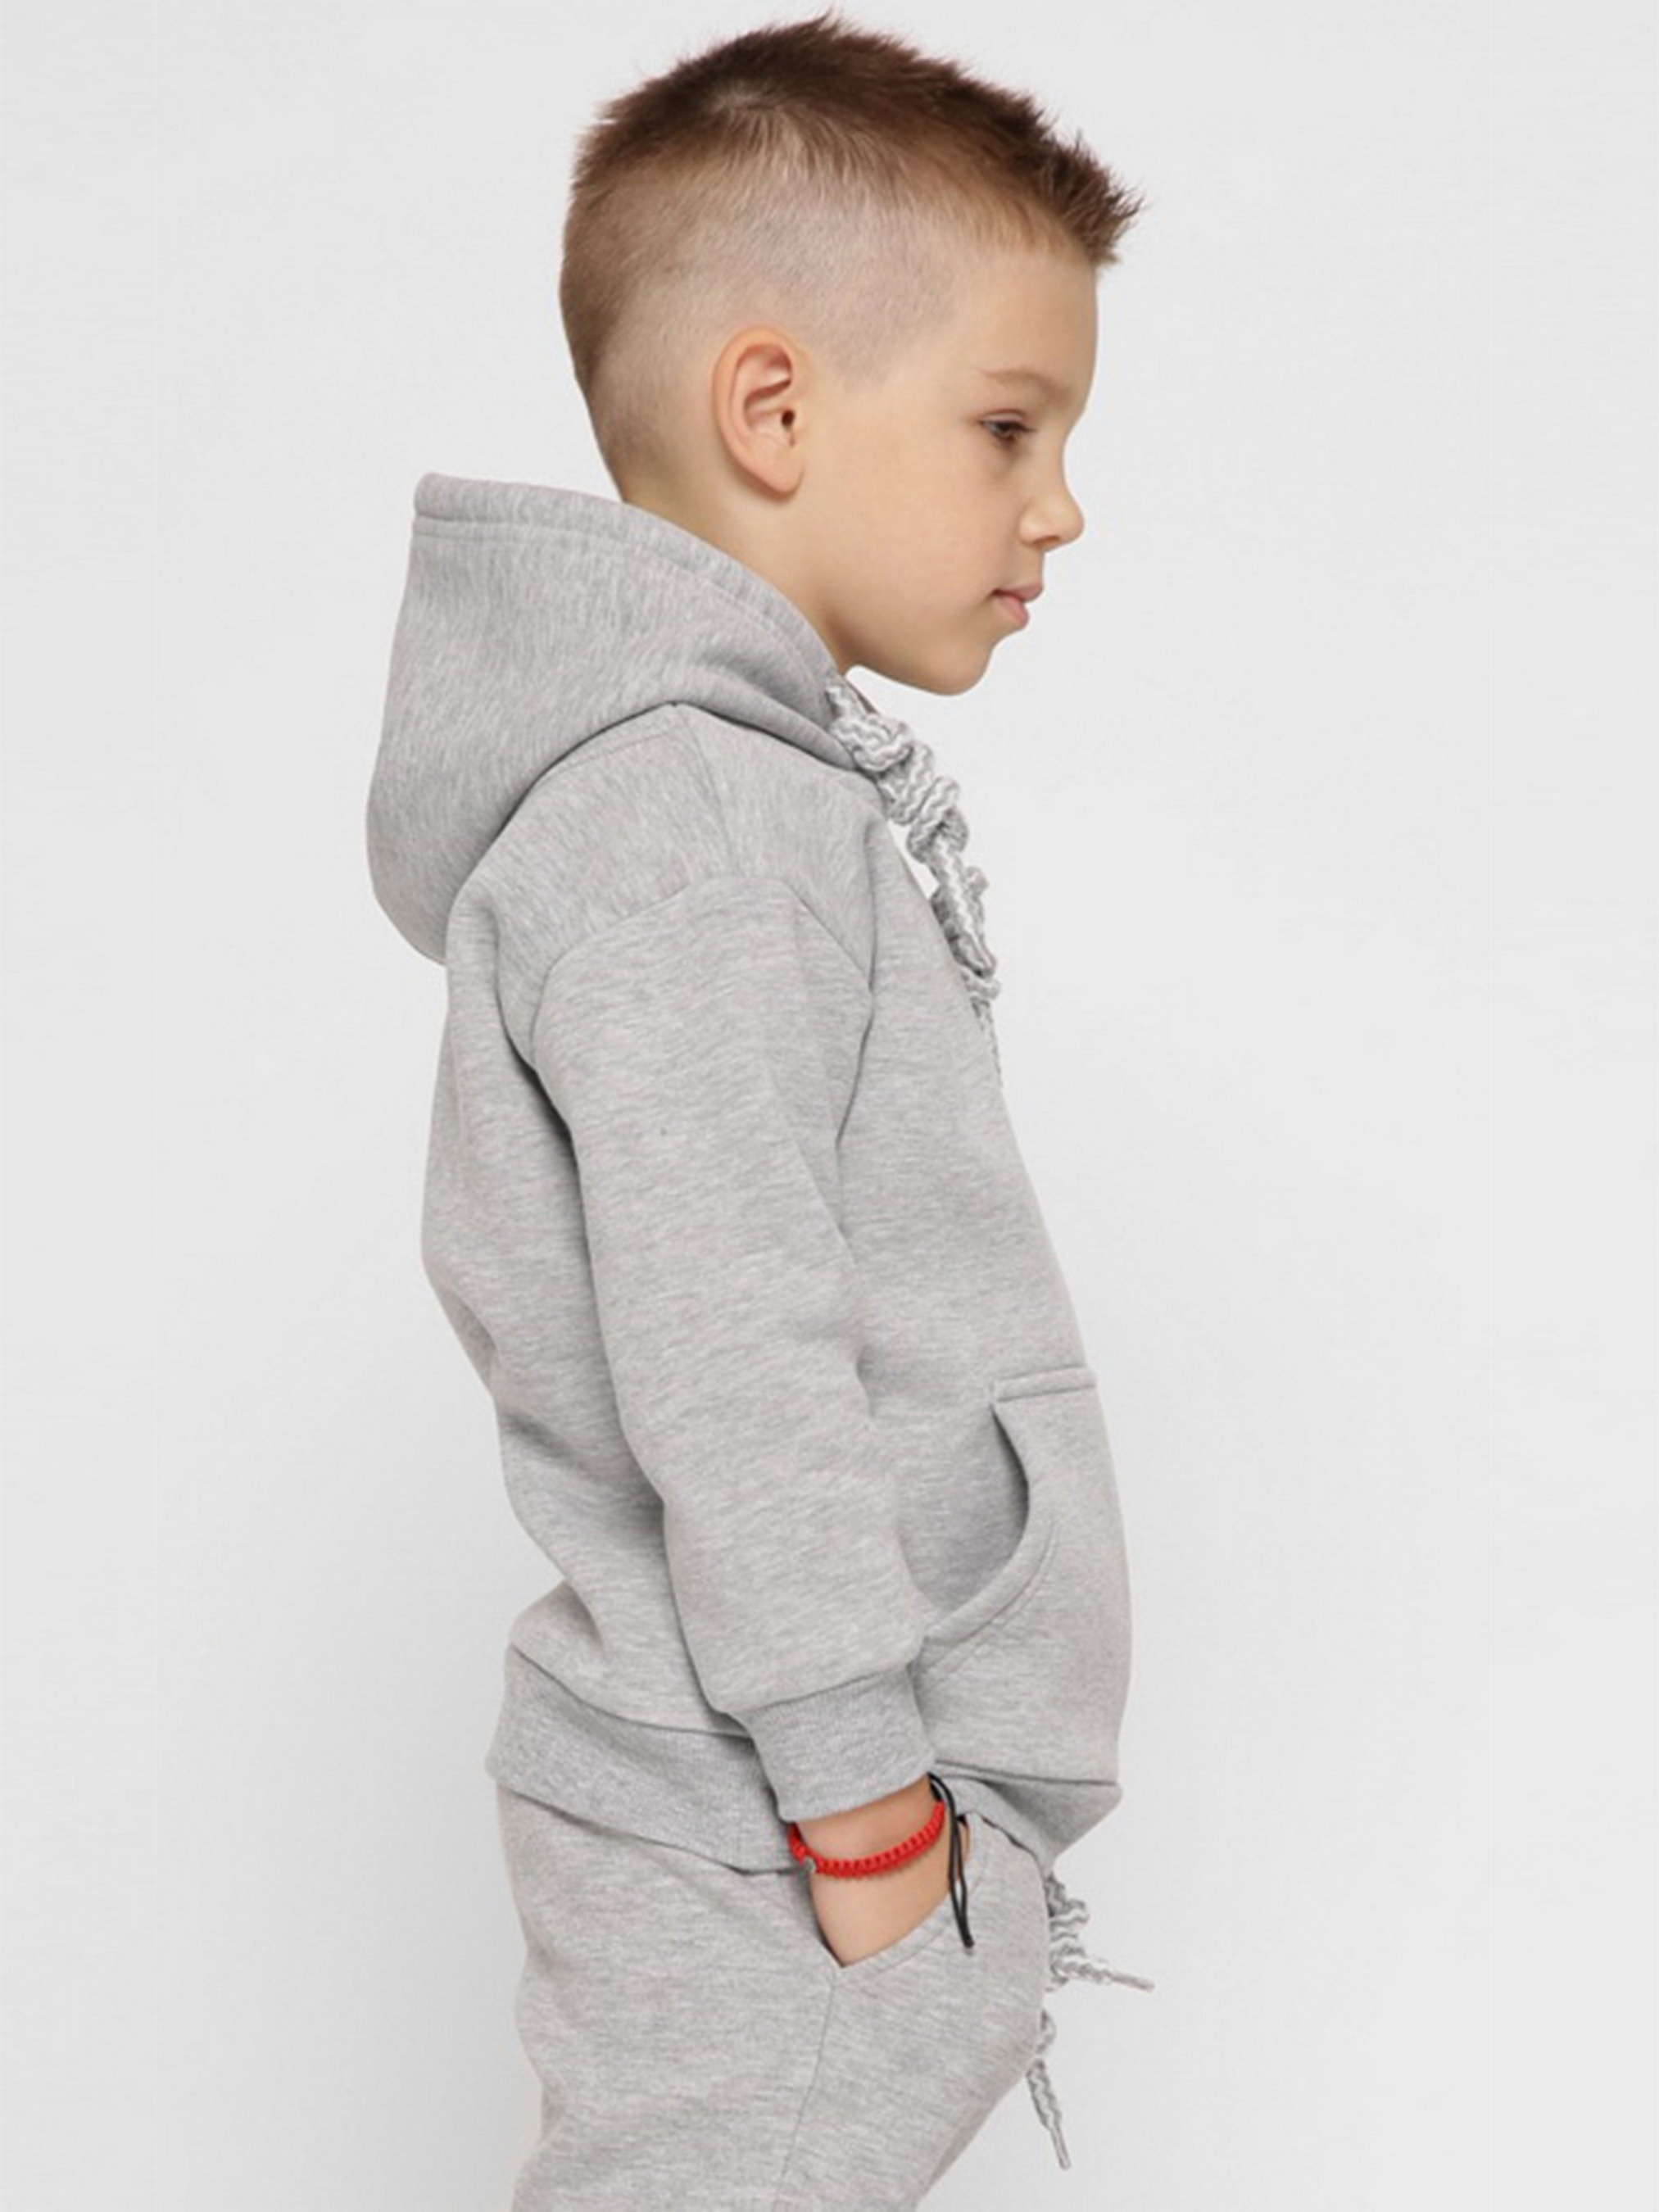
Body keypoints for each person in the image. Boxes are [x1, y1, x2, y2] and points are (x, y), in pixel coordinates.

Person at [365, 11, 1154, 2206]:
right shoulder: (688, 829)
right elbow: (732, 1350)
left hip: (801, 1800)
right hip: (783, 1817)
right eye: (1007, 425)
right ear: (774, 410)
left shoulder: (721, 803)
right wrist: (863, 1801)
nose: (1058, 503)